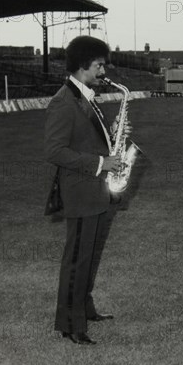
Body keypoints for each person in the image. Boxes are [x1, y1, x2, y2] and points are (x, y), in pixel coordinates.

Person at [45, 35, 127, 345]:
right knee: (77, 258)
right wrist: (101, 163)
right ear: (82, 66)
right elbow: (54, 151)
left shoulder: (86, 96)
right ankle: (69, 323)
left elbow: (94, 137)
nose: (103, 71)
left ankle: (85, 307)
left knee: (90, 255)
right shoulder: (63, 102)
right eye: (99, 65)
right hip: (81, 191)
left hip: (98, 191)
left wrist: (116, 131)